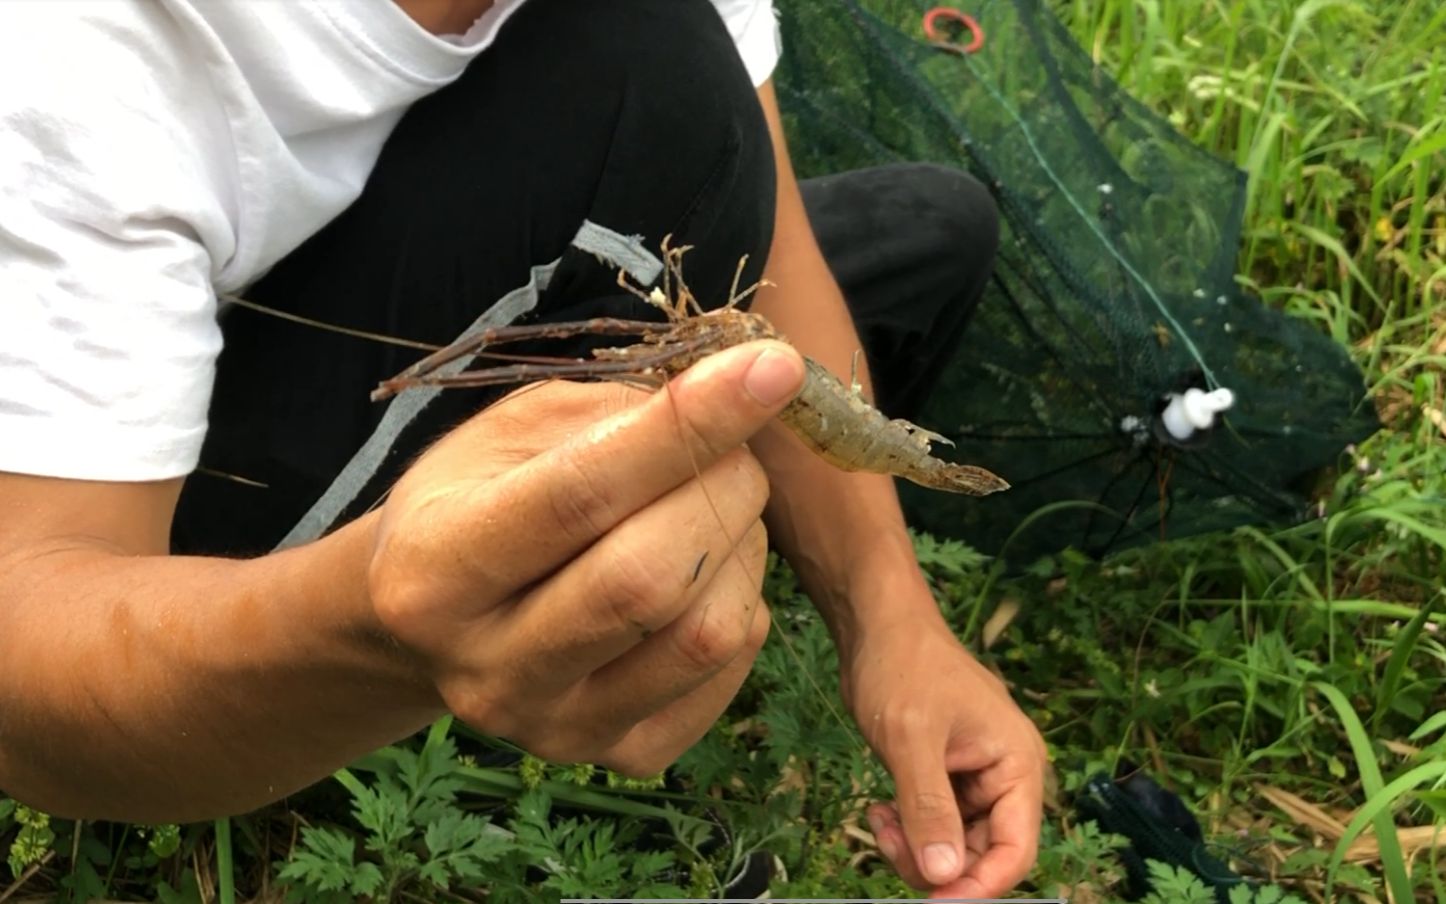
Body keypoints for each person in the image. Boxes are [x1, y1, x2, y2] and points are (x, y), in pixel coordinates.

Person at [0, 0, 1047, 897]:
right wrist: (370, 623)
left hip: (548, 182)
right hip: (141, 470)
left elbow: (758, 228)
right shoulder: (72, 55)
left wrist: (894, 617)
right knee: (644, 62)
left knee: (935, 229)